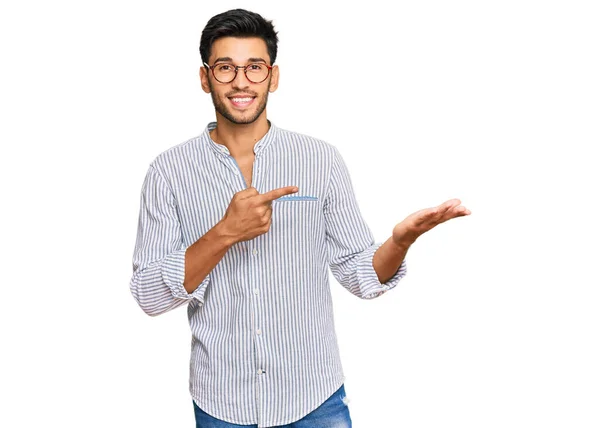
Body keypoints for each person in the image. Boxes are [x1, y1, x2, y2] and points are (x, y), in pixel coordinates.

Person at [129, 8, 470, 428]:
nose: (240, 81)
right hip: (221, 403)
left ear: (273, 77)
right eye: (225, 68)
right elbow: (148, 294)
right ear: (205, 79)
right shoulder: (168, 172)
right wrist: (224, 233)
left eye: (254, 67)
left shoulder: (319, 160)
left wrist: (400, 240)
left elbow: (360, 274)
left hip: (314, 400)